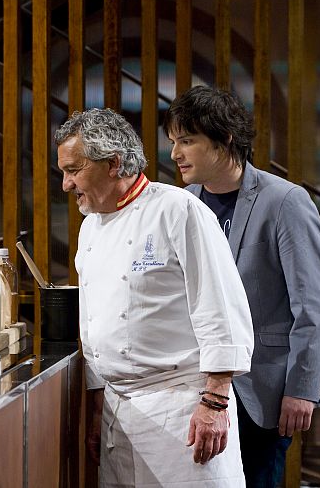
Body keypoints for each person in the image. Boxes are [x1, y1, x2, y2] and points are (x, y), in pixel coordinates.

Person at [55, 108, 254, 487]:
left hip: (181, 410)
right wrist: (97, 409)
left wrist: (214, 403)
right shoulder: (90, 226)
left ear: (113, 163)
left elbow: (221, 308)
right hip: (117, 413)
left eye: (74, 170)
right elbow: (96, 321)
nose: (66, 184)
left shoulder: (178, 210)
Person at [164, 85, 320, 487]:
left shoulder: (285, 201)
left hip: (264, 389)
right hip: (196, 387)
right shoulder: (183, 203)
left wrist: (303, 389)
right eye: (172, 142)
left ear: (225, 139)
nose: (175, 154)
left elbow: (312, 307)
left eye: (187, 141)